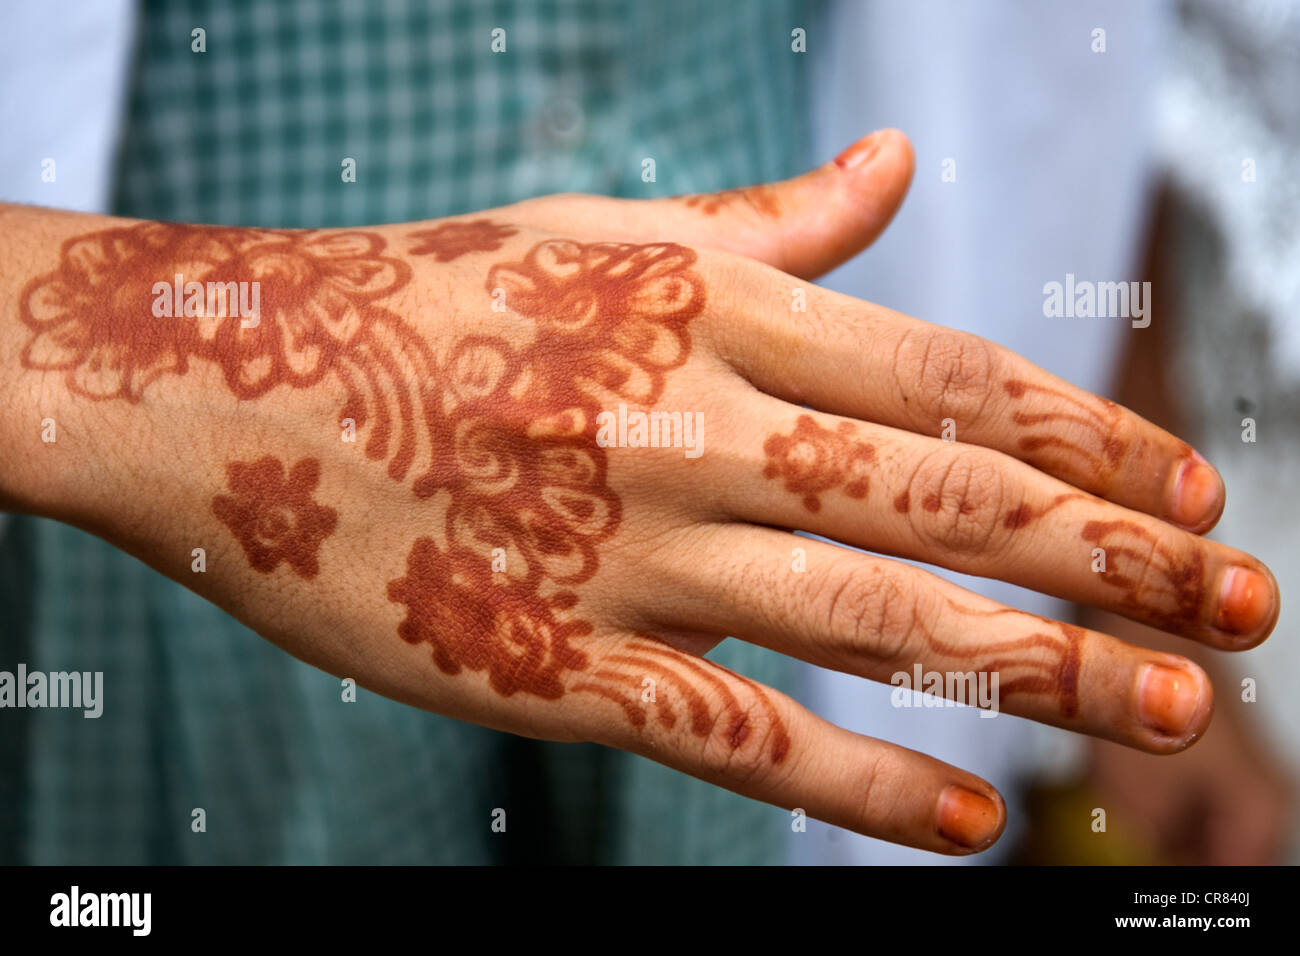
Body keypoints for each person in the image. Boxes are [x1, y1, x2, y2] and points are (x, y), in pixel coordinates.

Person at [0, 0, 1279, 863]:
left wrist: (1117, 554)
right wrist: (177, 359)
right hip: (158, 514)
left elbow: (1110, 70)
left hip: (772, 477)